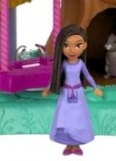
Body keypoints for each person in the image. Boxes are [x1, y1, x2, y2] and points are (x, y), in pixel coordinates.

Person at [43, 24, 103, 156]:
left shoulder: (81, 64)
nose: (71, 50)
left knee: (78, 117)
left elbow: (88, 76)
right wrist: (48, 88)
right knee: (65, 117)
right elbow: (56, 76)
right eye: (66, 45)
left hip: (78, 94)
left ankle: (77, 143)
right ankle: (68, 144)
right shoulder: (64, 64)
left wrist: (95, 88)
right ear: (61, 47)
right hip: (65, 93)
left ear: (84, 46)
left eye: (77, 45)